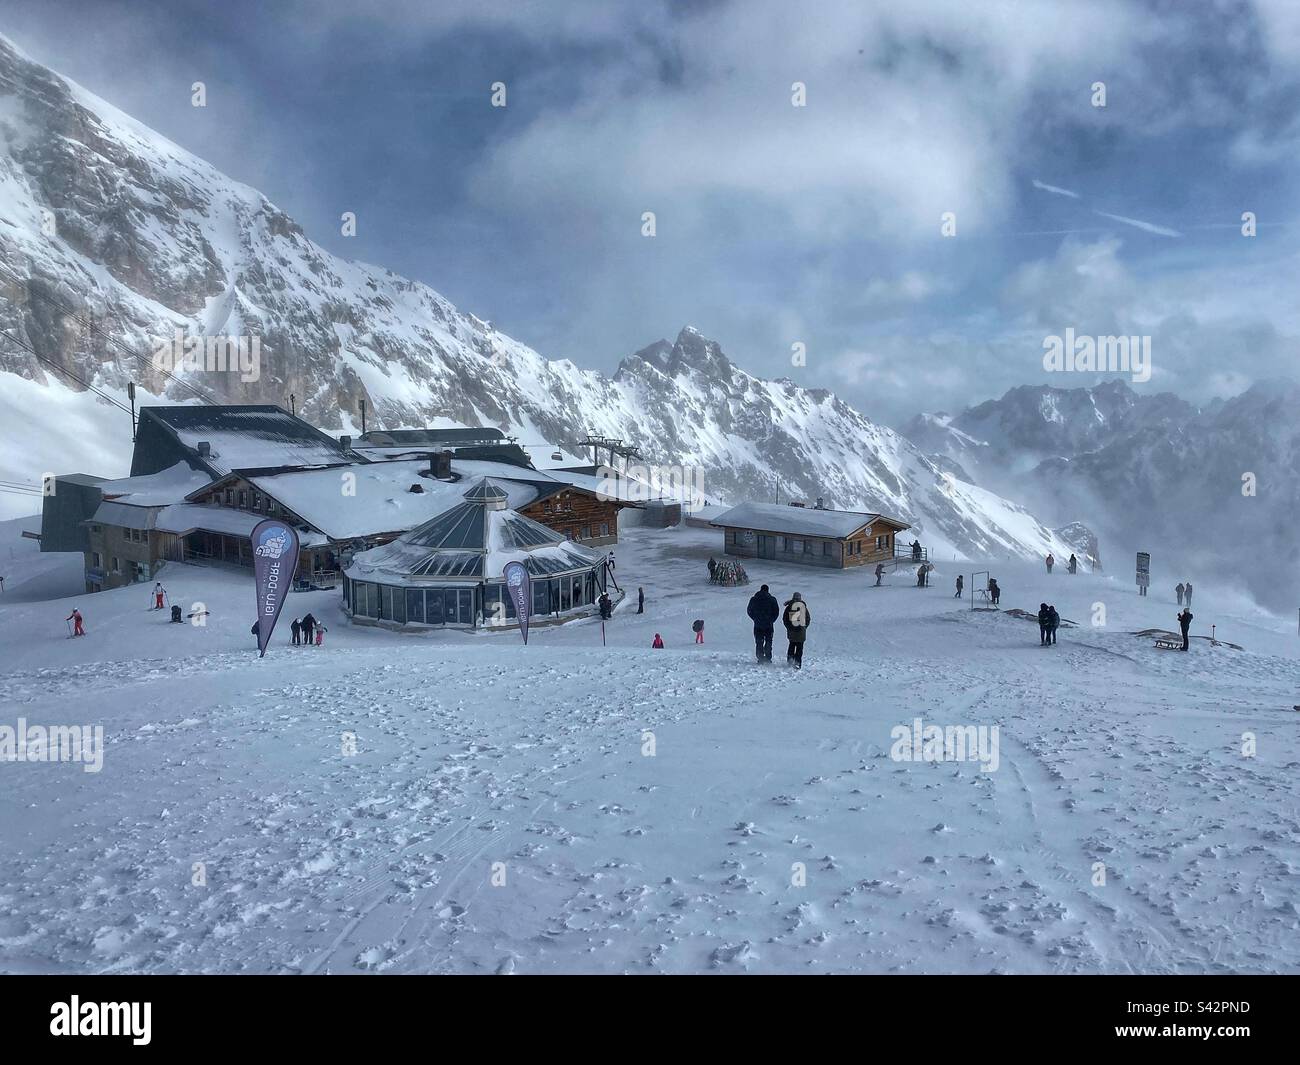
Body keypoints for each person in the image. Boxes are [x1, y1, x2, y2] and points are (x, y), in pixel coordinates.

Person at [746, 583, 779, 663]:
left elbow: (749, 610)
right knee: (768, 641)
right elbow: (776, 612)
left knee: (759, 641)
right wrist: (771, 620)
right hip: (769, 624)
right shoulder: (772, 599)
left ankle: (760, 658)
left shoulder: (754, 599)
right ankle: (768, 657)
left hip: (758, 624)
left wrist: (755, 618)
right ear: (768, 590)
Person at [782, 592, 811, 669]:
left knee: (791, 646)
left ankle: (790, 661)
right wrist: (804, 627)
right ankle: (797, 663)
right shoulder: (803, 607)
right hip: (801, 631)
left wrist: (788, 627)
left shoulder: (789, 607)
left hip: (791, 631)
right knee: (799, 648)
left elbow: (785, 619)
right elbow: (808, 618)